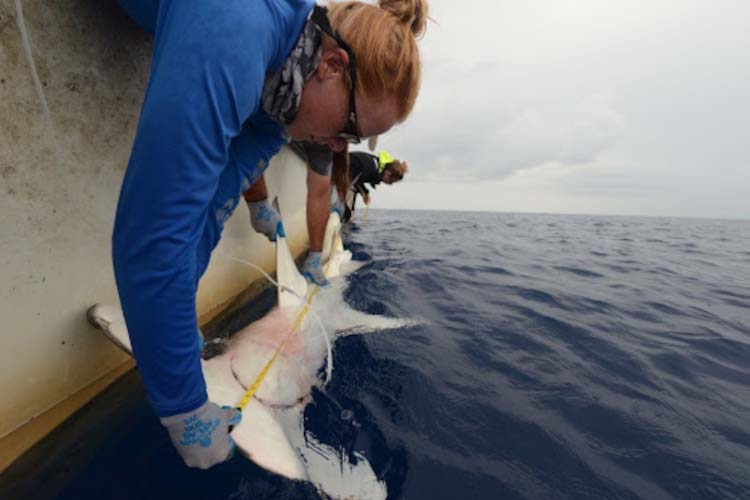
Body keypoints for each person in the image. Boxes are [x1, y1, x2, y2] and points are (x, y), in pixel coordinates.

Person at [111, 0, 428, 469]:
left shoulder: (278, 113)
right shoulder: (236, 22)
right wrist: (183, 408)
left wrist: (179, 328)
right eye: (350, 130)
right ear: (331, 64)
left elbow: (206, 215)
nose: (341, 147)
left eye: (354, 143)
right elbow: (153, 240)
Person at [345, 150, 408, 220]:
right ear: (388, 174)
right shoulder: (371, 167)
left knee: (348, 214)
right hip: (338, 166)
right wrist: (344, 207)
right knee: (347, 214)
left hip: (345, 168)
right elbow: (347, 179)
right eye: (391, 182)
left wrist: (365, 193)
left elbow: (358, 179)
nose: (389, 184)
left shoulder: (375, 168)